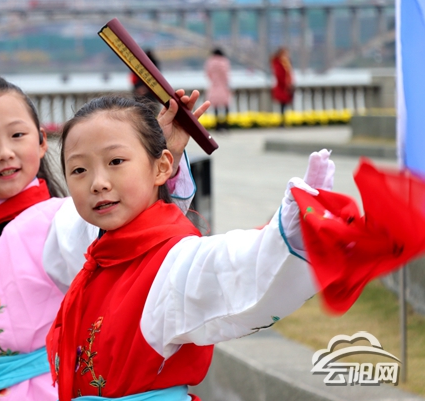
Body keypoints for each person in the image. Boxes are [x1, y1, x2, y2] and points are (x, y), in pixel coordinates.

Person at [43, 96, 425, 401]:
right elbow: (72, 237)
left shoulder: (173, 265)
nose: (98, 182)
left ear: (161, 168)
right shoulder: (100, 254)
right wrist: (148, 154)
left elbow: (234, 265)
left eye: (116, 161)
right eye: (79, 170)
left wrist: (298, 226)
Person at [0, 77, 209, 401]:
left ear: (40, 141)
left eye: (17, 135)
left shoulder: (59, 220)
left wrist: (153, 157)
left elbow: (134, 233)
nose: (4, 152)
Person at [204, 47, 231, 131]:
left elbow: (208, 74)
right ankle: (226, 124)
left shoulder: (210, 62)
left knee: (215, 106)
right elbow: (226, 75)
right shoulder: (224, 62)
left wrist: (214, 80)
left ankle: (217, 125)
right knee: (226, 105)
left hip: (214, 86)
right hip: (223, 86)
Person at [271, 47, 294, 127]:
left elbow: (290, 74)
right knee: (282, 105)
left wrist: (290, 83)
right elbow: (279, 75)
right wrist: (286, 84)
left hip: (286, 86)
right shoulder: (278, 63)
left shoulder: (286, 63)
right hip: (282, 87)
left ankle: (283, 121)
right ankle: (282, 122)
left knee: (284, 105)